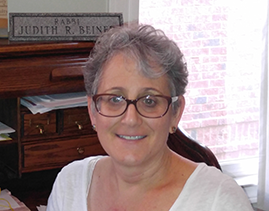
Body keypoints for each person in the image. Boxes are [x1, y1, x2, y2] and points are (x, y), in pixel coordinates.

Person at [46, 24, 254, 211]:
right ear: (92, 110)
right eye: (115, 99)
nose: (130, 119)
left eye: (149, 101)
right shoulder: (69, 185)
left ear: (175, 113)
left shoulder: (219, 200)